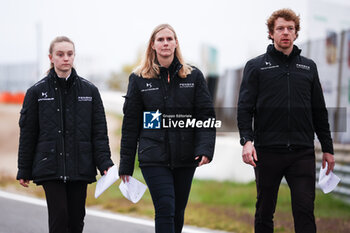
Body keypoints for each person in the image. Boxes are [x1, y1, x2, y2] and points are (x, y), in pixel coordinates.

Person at [237, 9, 335, 233]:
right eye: (280, 28)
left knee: (304, 211)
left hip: (301, 152)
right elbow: (245, 108)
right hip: (267, 152)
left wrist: (328, 149)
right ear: (271, 33)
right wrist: (246, 141)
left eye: (290, 28)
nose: (286, 33)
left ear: (296, 34)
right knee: (264, 211)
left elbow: (319, 111)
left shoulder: (308, 67)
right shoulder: (256, 66)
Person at [119, 24, 216, 233]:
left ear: (176, 43)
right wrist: (126, 165)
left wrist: (205, 148)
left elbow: (205, 116)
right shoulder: (139, 79)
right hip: (153, 156)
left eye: (169, 39)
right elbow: (130, 124)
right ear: (153, 45)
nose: (165, 43)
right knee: (165, 208)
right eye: (160, 39)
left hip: (185, 156)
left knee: (178, 212)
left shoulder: (193, 76)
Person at [16, 36, 114, 233]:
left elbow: (99, 133)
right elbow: (28, 134)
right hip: (50, 166)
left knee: (76, 220)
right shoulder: (36, 92)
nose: (65, 58)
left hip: (81, 165)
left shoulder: (90, 91)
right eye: (60, 54)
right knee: (59, 217)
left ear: (74, 56)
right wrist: (24, 169)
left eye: (69, 54)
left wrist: (105, 164)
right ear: (51, 57)